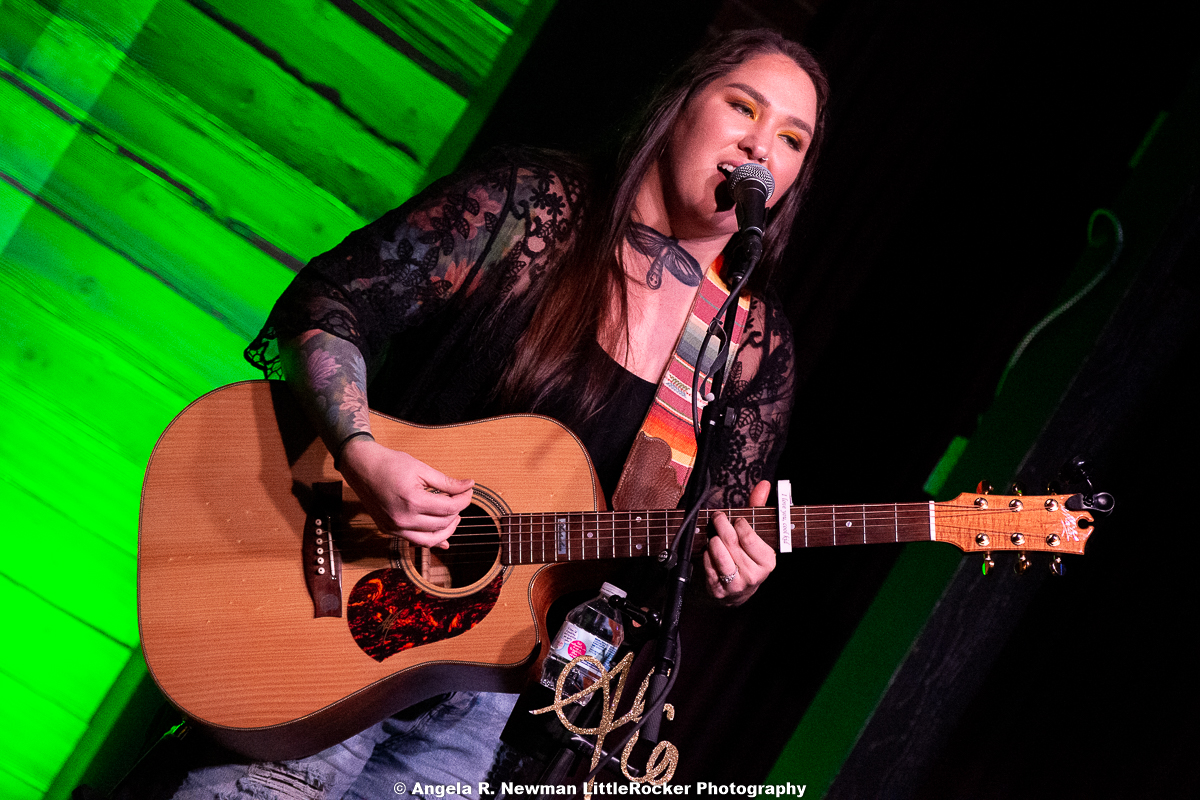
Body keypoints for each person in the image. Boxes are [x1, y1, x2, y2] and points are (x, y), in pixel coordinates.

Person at [172, 28, 828, 800]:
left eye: (792, 138)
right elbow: (331, 302)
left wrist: (733, 574)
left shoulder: (749, 344)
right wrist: (362, 450)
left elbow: (688, 548)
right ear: (680, 104)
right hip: (337, 614)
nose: (761, 147)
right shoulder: (532, 207)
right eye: (743, 107)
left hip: (486, 709)